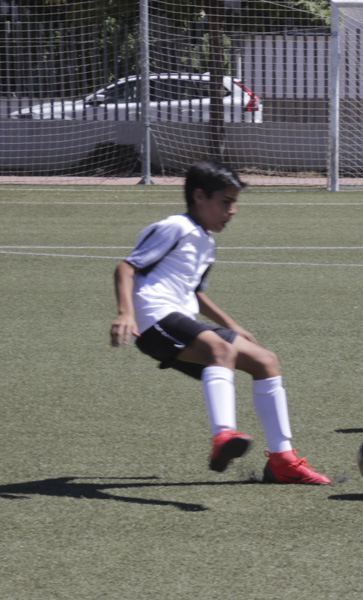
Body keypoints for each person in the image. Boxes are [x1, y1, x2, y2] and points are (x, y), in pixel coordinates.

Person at [109, 160, 331, 485]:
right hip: (154, 319)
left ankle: (283, 461)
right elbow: (126, 268)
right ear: (200, 196)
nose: (233, 211)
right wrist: (125, 313)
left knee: (265, 361)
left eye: (234, 203)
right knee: (219, 350)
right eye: (226, 202)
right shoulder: (175, 227)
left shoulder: (206, 242)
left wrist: (231, 324)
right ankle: (223, 436)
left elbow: (194, 293)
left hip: (180, 319)